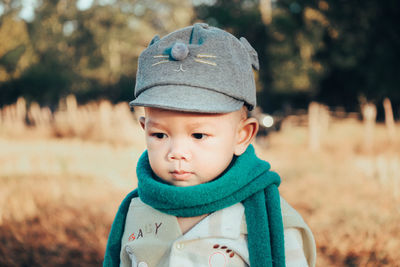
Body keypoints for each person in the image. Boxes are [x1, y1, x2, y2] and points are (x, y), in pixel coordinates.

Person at [103, 23, 316, 267]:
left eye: (199, 136)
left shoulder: (270, 221)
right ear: (144, 129)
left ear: (242, 136)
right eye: (160, 135)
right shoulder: (136, 210)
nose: (177, 153)